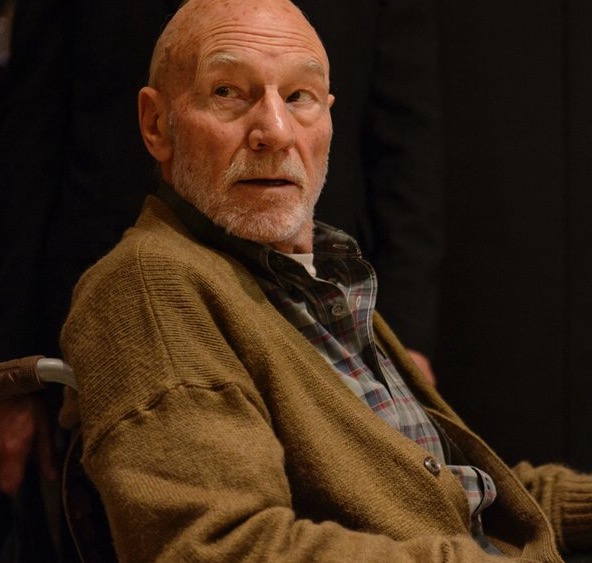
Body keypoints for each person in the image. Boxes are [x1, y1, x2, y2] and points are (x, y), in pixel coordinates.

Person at [59, 0, 591, 560]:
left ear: (330, 119)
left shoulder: (314, 280)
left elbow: (465, 498)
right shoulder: (151, 286)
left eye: (299, 97)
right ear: (156, 124)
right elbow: (221, 548)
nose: (275, 131)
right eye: (228, 93)